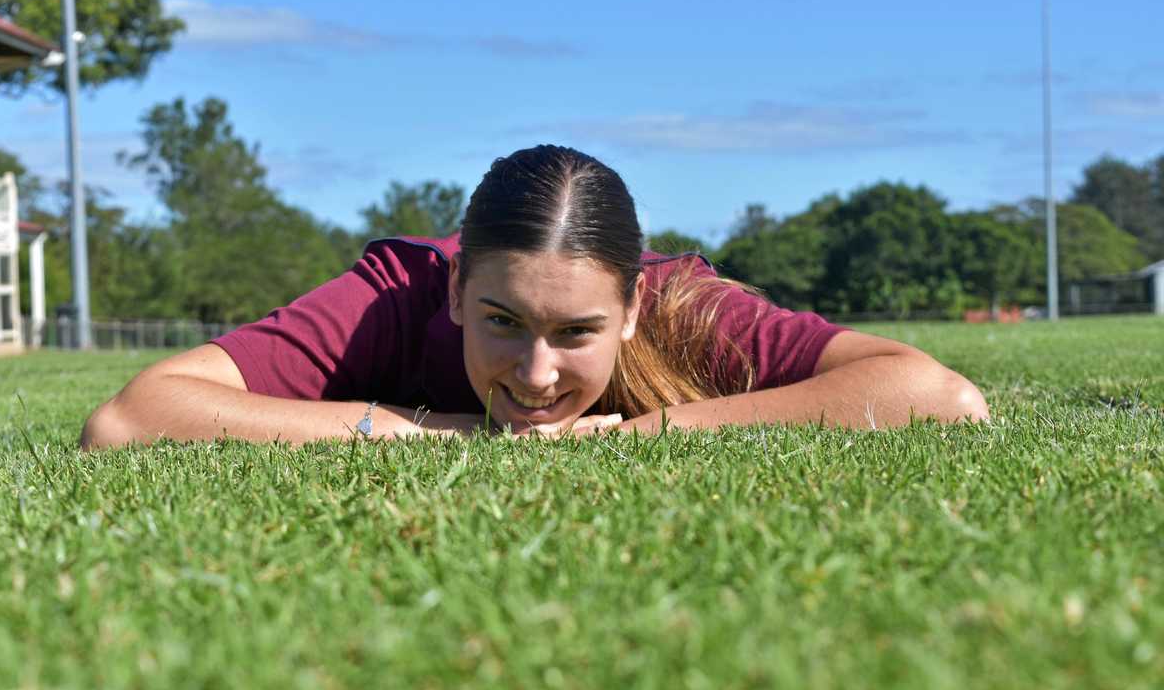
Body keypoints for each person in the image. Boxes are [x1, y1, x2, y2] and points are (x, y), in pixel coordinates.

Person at [81, 145, 987, 449]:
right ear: (458, 288)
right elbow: (131, 418)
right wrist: (433, 431)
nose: (537, 373)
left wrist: (646, 435)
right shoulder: (392, 294)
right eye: (503, 322)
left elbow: (943, 397)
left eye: (578, 332)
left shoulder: (683, 308)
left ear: (632, 310)